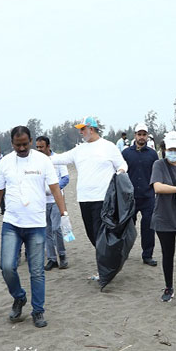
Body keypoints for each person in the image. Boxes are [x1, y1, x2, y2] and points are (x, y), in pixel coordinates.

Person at [0, 126, 71, 328]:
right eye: (18, 145)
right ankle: (19, 296)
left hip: (36, 224)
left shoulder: (43, 161)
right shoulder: (6, 162)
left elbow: (55, 188)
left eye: (25, 143)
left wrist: (64, 214)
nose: (22, 147)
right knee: (7, 267)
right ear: (12, 144)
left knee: (37, 272)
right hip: (12, 223)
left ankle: (38, 311)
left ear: (31, 141)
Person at [50, 117, 128, 276]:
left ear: (91, 129)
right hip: (84, 199)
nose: (80, 132)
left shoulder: (108, 146)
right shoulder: (79, 150)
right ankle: (108, 263)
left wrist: (119, 173)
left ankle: (106, 270)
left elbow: (122, 164)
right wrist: (39, 159)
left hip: (103, 199)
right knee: (92, 235)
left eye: (82, 129)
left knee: (101, 236)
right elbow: (59, 158)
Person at [149, 130, 176, 309]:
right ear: (164, 149)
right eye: (169, 148)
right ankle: (169, 287)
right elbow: (157, 187)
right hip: (163, 217)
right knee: (167, 255)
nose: (172, 151)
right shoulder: (158, 165)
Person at [122, 123, 159, 266]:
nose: (141, 137)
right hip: (130, 197)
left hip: (148, 196)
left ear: (147, 136)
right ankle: (123, 253)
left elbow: (156, 174)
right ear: (135, 135)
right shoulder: (126, 153)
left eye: (144, 134)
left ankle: (147, 255)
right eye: (139, 134)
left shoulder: (152, 154)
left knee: (148, 227)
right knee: (127, 227)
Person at [35, 135, 70, 270]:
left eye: (41, 147)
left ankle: (62, 255)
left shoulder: (58, 160)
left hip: (56, 199)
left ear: (48, 146)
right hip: (42, 201)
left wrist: (53, 189)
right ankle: (51, 258)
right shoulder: (36, 161)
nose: (39, 150)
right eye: (37, 147)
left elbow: (65, 178)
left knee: (56, 228)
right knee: (46, 230)